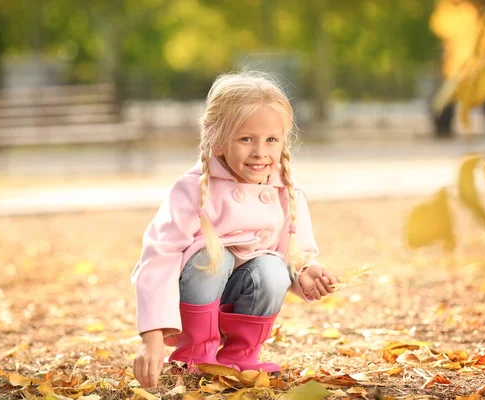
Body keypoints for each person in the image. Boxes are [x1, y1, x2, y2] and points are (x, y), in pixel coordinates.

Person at [131, 71, 337, 388]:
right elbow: (158, 258)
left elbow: (295, 252)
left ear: (284, 141)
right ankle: (197, 353)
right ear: (217, 141)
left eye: (271, 139)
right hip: (197, 289)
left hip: (244, 293)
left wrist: (305, 272)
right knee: (214, 257)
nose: (260, 152)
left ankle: (241, 355)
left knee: (272, 268)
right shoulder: (194, 189)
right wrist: (152, 336)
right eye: (246, 139)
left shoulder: (287, 191)